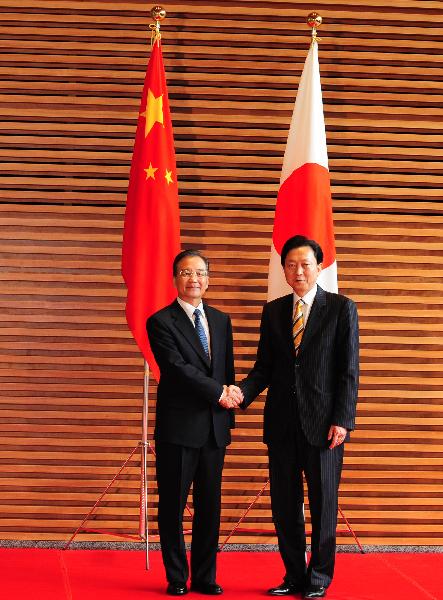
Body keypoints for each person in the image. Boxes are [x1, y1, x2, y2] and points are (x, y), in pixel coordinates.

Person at [237, 235, 359, 599]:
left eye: (305, 263)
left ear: (319, 267)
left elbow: (348, 371)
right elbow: (264, 368)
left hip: (325, 426)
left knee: (324, 506)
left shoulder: (341, 308)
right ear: (284, 269)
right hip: (281, 425)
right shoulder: (273, 311)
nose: (298, 270)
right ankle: (293, 574)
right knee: (285, 507)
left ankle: (319, 578)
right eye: (291, 264)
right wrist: (240, 393)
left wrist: (343, 419)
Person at [147, 249, 241, 597]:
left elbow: (226, 371)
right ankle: (176, 576)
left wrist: (228, 404)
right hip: (178, 429)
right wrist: (220, 393)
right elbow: (177, 370)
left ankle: (204, 575)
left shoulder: (220, 320)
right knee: (172, 505)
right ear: (175, 278)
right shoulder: (160, 321)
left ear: (208, 279)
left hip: (214, 430)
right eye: (186, 272)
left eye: (200, 273)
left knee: (209, 507)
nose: (194, 279)